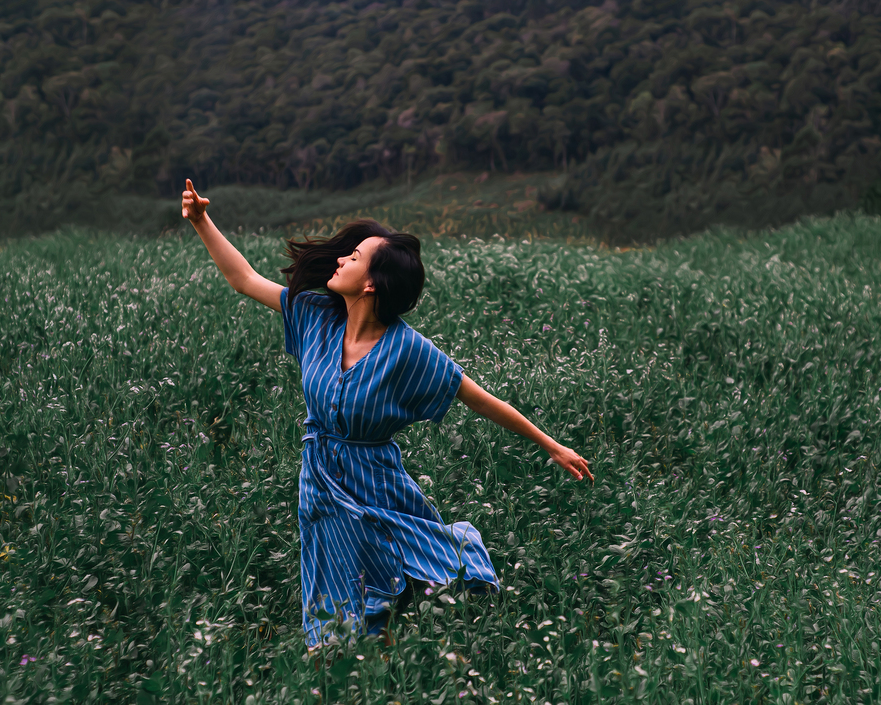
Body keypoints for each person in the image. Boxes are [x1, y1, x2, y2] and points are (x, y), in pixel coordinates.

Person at [182, 179, 593, 650]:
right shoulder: (315, 314)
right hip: (321, 481)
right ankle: (335, 661)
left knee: (425, 561)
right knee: (332, 577)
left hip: (378, 481)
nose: (340, 258)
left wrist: (553, 446)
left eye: (353, 258)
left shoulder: (407, 349)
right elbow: (244, 279)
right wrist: (200, 220)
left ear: (372, 283)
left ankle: (421, 616)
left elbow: (481, 399)